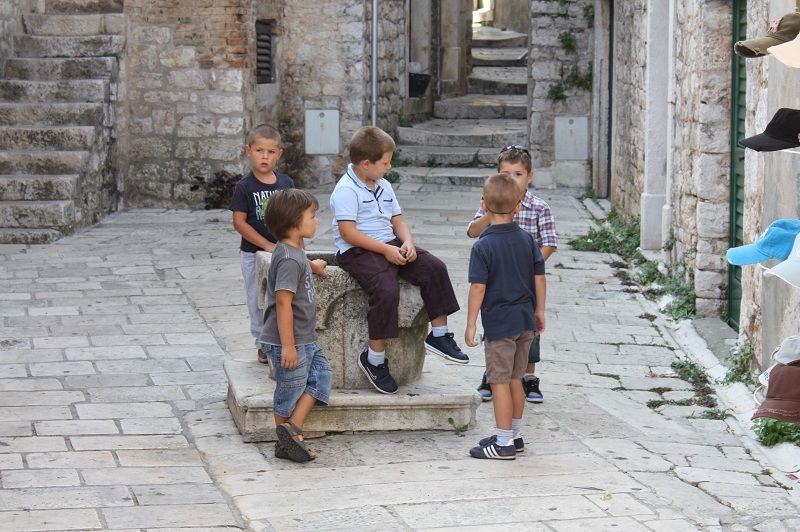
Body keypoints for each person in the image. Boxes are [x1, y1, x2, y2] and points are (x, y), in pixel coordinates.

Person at [330, 126, 469, 395]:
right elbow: (348, 233)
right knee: (386, 288)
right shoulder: (346, 189)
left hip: (388, 243)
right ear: (366, 163)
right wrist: (384, 250)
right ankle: (374, 359)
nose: (389, 166)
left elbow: (398, 220)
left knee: (434, 268)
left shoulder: (383, 185)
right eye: (385, 162)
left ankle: (439, 335)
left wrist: (406, 242)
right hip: (357, 250)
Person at [465, 173, 546, 459]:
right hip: (525, 320)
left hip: (500, 324)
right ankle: (516, 434)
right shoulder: (527, 240)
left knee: (498, 380)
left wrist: (471, 323)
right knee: (516, 379)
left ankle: (502, 443)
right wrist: (539, 310)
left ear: (484, 207)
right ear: (519, 207)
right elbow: (539, 277)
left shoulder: (483, 246)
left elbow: (478, 287)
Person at [467, 145, 557, 403]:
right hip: (497, 278)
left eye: (517, 174)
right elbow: (473, 232)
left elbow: (549, 241)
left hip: (524, 279)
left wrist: (531, 263)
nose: (511, 179)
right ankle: (493, 372)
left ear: (529, 176)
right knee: (497, 328)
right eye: (505, 174)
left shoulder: (539, 207)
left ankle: (528, 376)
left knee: (528, 329)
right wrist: (490, 212)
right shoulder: (488, 203)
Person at [230, 124, 325, 363]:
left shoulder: (286, 183)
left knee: (284, 296)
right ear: (248, 150)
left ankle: (288, 337)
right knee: (257, 298)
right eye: (259, 150)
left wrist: (303, 254)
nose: (265, 156)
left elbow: (297, 219)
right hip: (254, 253)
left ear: (279, 154)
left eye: (271, 152)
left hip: (286, 252)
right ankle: (262, 342)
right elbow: (240, 223)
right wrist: (266, 245)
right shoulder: (244, 187)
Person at [259, 188, 332, 462]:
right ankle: (286, 443)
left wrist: (313, 265)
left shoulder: (295, 251)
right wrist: (288, 346)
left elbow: (301, 263)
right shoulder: (289, 258)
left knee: (322, 376)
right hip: (290, 341)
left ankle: (291, 429)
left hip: (306, 338)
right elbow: (282, 303)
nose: (317, 221)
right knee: (289, 391)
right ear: (293, 223)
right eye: (312, 216)